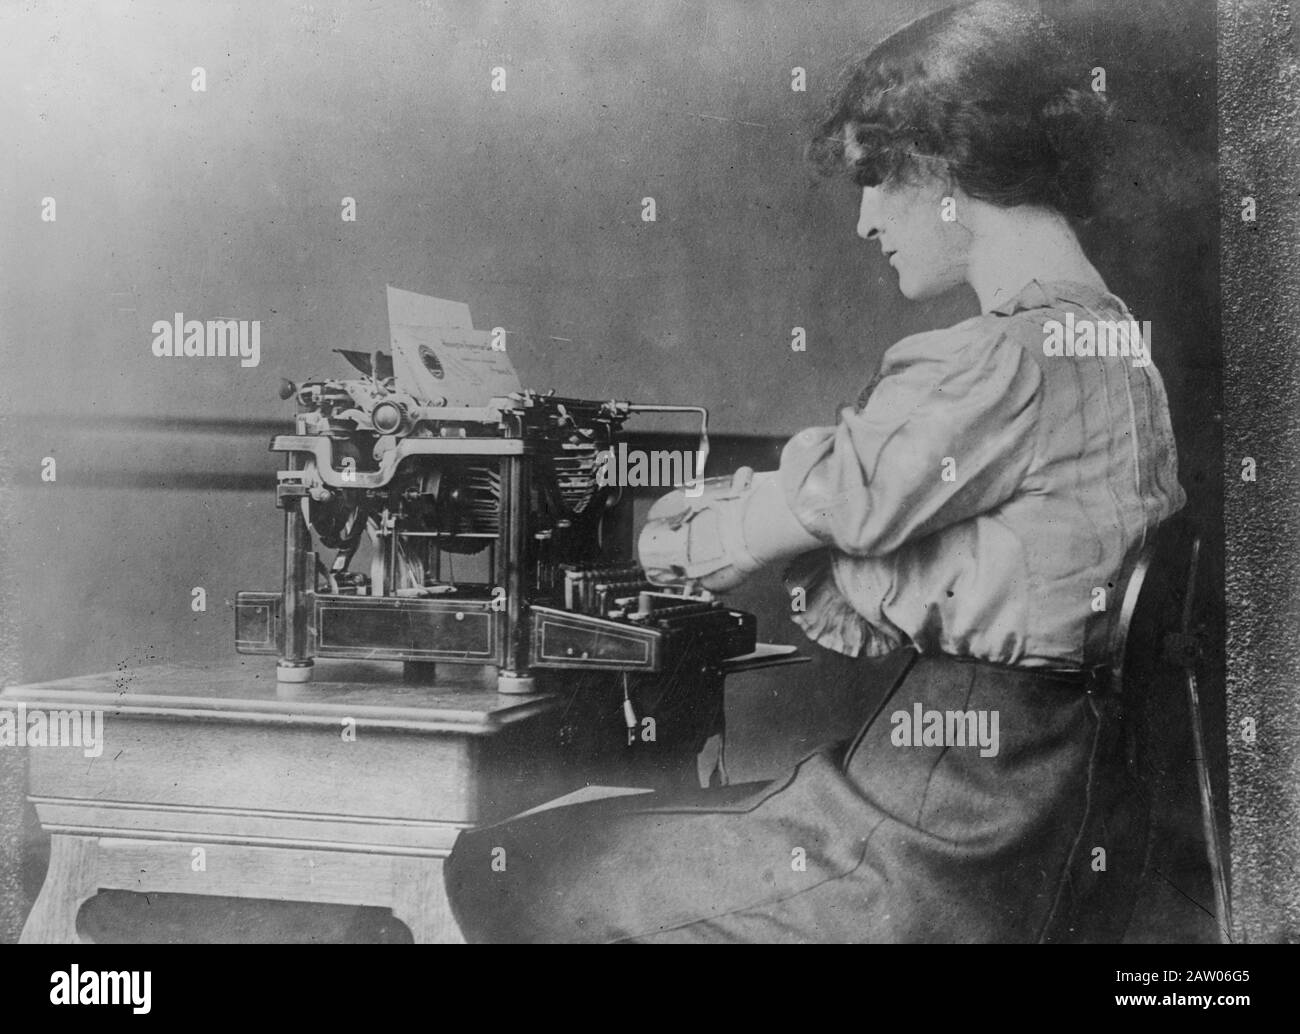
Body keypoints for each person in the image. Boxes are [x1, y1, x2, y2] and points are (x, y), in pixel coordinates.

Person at [443, 0, 1185, 943]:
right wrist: (791, 546)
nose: (866, 220)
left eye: (877, 180)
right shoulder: (1113, 348)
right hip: (1027, 812)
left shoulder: (1010, 357)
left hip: (932, 837)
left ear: (947, 167)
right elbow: (967, 556)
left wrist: (700, 539)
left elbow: (854, 494)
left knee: (513, 864)